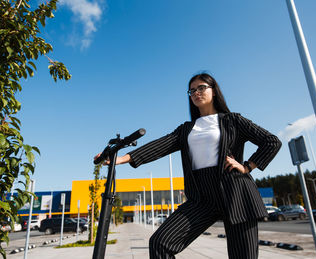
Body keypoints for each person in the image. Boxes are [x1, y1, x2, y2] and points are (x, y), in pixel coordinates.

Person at [96, 73, 281, 259]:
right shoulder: (186, 129)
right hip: (201, 197)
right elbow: (160, 145)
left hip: (236, 193)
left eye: (201, 88)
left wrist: (247, 166)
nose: (196, 93)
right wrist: (121, 158)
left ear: (214, 91)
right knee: (160, 243)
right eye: (192, 90)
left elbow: (271, 141)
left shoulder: (233, 120)